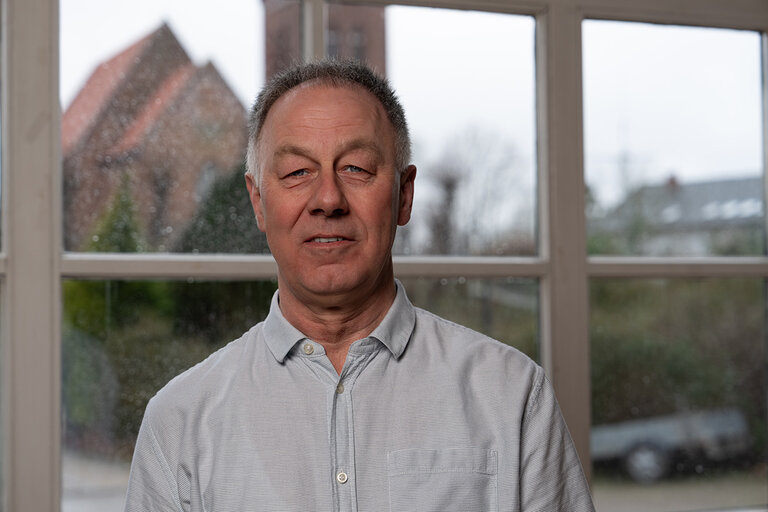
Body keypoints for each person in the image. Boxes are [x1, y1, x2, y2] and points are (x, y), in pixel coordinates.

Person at [123, 60, 595, 511]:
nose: (328, 199)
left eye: (356, 168)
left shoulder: (512, 395)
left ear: (404, 195)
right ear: (258, 202)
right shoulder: (179, 422)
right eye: (296, 172)